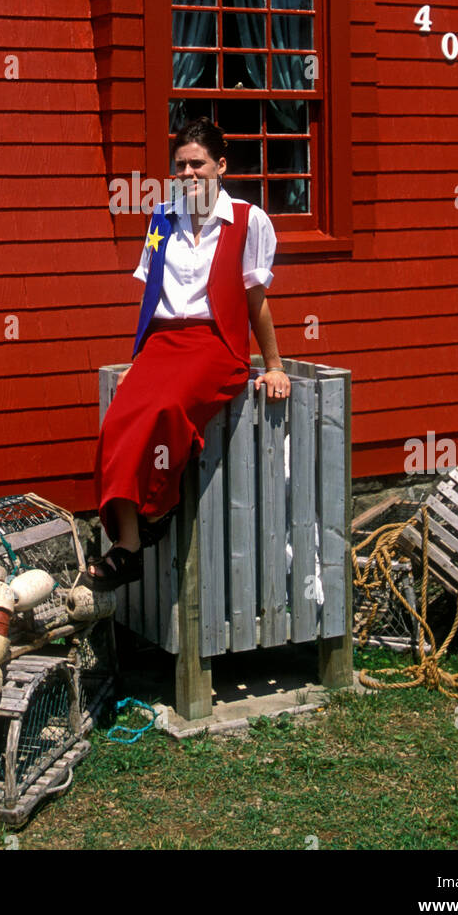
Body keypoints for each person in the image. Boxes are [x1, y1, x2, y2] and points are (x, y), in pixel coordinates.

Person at [77, 117, 291, 591]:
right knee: (117, 422)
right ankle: (128, 545)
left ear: (221, 166)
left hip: (215, 344)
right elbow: (153, 291)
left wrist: (274, 365)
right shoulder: (161, 218)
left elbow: (256, 299)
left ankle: (159, 506)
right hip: (163, 342)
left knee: (166, 409)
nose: (189, 173)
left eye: (199, 164)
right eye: (181, 166)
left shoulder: (248, 220)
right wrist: (142, 355)